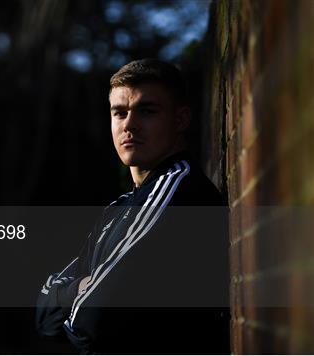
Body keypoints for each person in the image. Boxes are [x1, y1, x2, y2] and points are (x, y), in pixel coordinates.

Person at [35, 58, 229, 354]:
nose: (129, 124)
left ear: (181, 120)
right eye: (119, 113)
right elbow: (43, 317)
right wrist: (79, 289)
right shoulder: (119, 209)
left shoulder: (178, 192)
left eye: (147, 111)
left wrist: (77, 292)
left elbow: (91, 321)